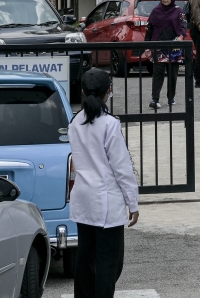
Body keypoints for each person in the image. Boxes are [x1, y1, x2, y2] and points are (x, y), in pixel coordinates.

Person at [69, 70, 139, 298]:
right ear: (108, 92)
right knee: (109, 265)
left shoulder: (74, 122)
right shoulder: (110, 124)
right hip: (107, 205)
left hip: (83, 202)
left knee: (85, 261)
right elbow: (122, 168)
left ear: (82, 91)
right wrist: (133, 203)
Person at [144, 0, 184, 109]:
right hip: (158, 47)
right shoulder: (156, 11)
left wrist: (181, 37)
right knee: (158, 73)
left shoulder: (178, 11)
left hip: (174, 47)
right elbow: (149, 30)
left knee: (172, 74)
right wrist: (147, 46)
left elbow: (183, 26)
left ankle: (171, 97)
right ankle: (155, 99)